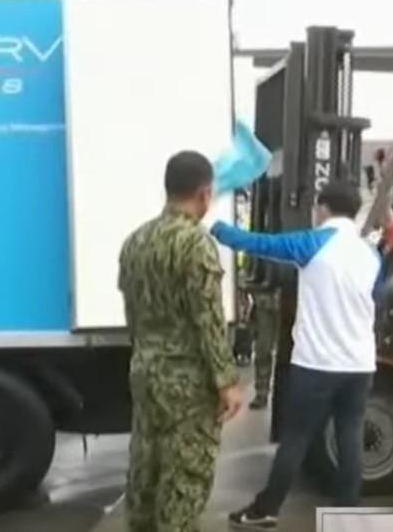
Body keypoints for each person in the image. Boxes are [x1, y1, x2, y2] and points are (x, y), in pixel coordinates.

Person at [211, 180, 380, 529]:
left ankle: (267, 508)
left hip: (317, 364)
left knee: (296, 439)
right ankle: (347, 512)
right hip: (360, 363)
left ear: (324, 208)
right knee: (349, 437)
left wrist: (216, 227)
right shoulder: (371, 254)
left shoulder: (312, 243)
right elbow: (378, 295)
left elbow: (259, 244)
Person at [118, 150, 243, 532]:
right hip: (187, 385)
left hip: (145, 372)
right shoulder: (195, 243)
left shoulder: (135, 241)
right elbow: (208, 318)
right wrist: (226, 381)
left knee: (146, 472)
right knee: (185, 481)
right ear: (204, 194)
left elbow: (133, 316)